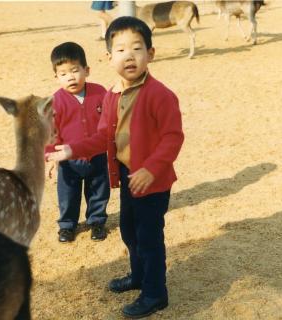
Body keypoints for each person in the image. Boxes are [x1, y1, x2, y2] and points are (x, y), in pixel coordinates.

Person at [46, 17, 184, 318]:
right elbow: (102, 137)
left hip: (152, 180)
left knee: (148, 236)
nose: (129, 55)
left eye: (137, 48)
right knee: (129, 230)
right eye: (121, 49)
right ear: (109, 58)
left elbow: (173, 138)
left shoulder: (160, 95)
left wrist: (151, 169)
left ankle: (155, 293)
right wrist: (70, 149)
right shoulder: (112, 94)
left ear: (151, 53)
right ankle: (138, 276)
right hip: (126, 174)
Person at [46, 42, 110, 243]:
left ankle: (97, 221)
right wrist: (49, 156)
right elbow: (50, 132)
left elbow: (111, 121)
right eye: (63, 73)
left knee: (98, 191)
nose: (70, 77)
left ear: (87, 70)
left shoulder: (100, 93)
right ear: (56, 77)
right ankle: (67, 226)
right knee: (68, 195)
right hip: (68, 159)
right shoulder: (55, 101)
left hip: (97, 155)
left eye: (75, 70)